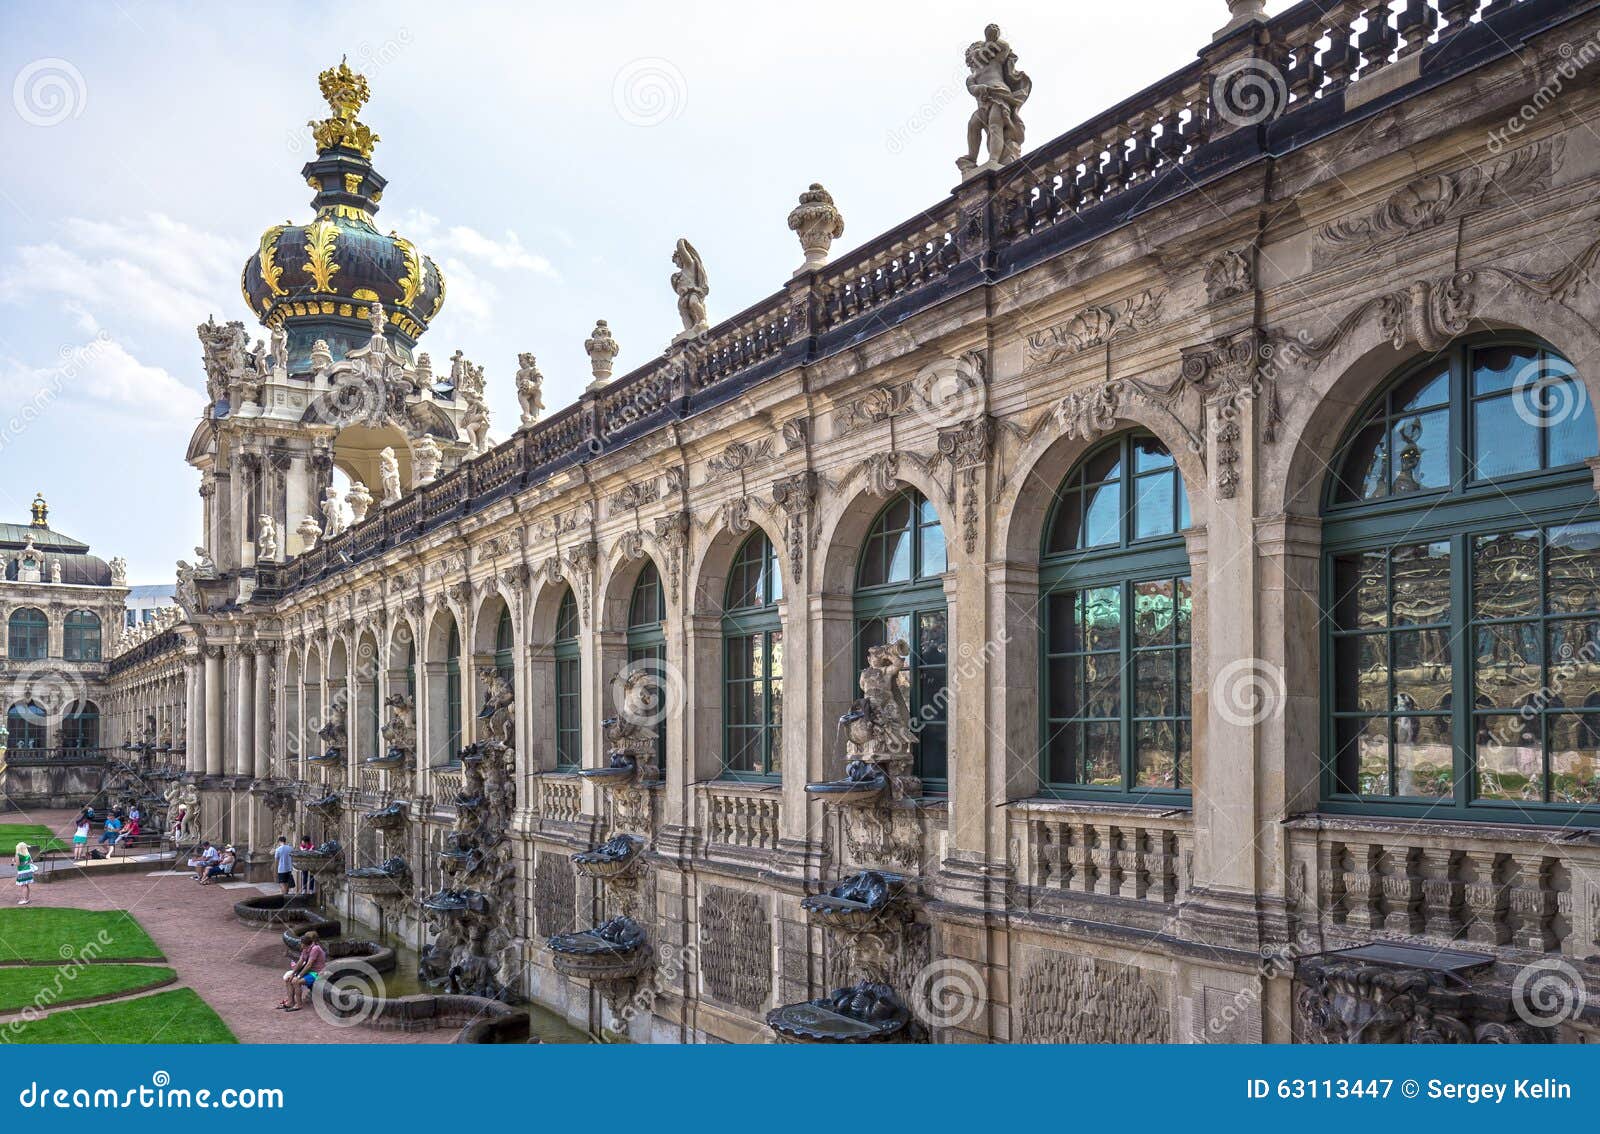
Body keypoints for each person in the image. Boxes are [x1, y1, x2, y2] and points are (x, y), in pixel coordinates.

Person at [279, 930, 325, 1012]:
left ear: (305, 943)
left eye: (301, 943)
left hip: (317, 973)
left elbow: (309, 965)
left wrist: (299, 976)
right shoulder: (305, 949)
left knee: (296, 982)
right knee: (288, 979)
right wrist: (293, 974)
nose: (300, 945)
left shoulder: (315, 949)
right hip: (309, 972)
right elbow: (300, 962)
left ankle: (299, 1004)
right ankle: (290, 1002)